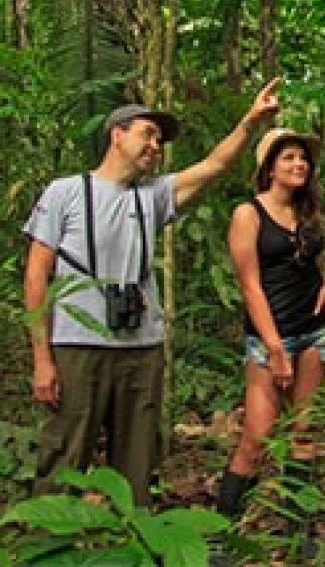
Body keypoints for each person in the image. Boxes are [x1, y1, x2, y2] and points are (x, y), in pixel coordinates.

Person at [23, 80, 282, 506]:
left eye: (159, 140)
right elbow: (36, 277)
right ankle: (48, 546)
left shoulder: (155, 195)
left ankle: (136, 544)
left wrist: (251, 122)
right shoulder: (65, 192)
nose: (155, 145)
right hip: (77, 345)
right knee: (65, 454)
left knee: (138, 462)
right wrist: (42, 358)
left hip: (141, 347)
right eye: (148, 134)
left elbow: (213, 166)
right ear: (117, 135)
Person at [214, 127, 325, 528]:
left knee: (304, 433)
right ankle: (223, 534)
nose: (298, 164)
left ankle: (299, 530)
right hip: (272, 337)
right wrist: (274, 347)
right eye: (288, 157)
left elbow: (314, 264)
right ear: (269, 167)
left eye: (303, 159)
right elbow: (250, 285)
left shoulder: (307, 214)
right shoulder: (248, 214)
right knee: (257, 438)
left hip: (314, 332)